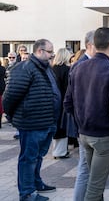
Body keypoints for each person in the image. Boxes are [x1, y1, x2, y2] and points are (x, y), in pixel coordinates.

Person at [64, 27, 109, 201]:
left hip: (85, 134)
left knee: (93, 182)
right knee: (95, 187)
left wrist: (81, 124)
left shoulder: (78, 67)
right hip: (104, 137)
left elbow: (68, 103)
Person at [2, 39, 59, 201]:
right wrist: (12, 117)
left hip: (47, 121)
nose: (52, 55)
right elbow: (10, 97)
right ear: (39, 51)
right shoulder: (25, 68)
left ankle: (36, 182)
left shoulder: (46, 68)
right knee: (28, 158)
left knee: (37, 156)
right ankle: (27, 193)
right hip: (32, 123)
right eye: (50, 52)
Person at [67, 31, 95, 201]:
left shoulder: (84, 64)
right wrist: (81, 121)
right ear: (90, 45)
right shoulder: (80, 65)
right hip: (85, 127)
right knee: (85, 169)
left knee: (88, 169)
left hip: (85, 126)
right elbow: (70, 100)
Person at [51, 48, 72, 159]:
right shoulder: (67, 69)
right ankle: (61, 151)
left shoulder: (52, 69)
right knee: (63, 126)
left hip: (53, 101)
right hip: (63, 100)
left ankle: (57, 150)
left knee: (56, 126)